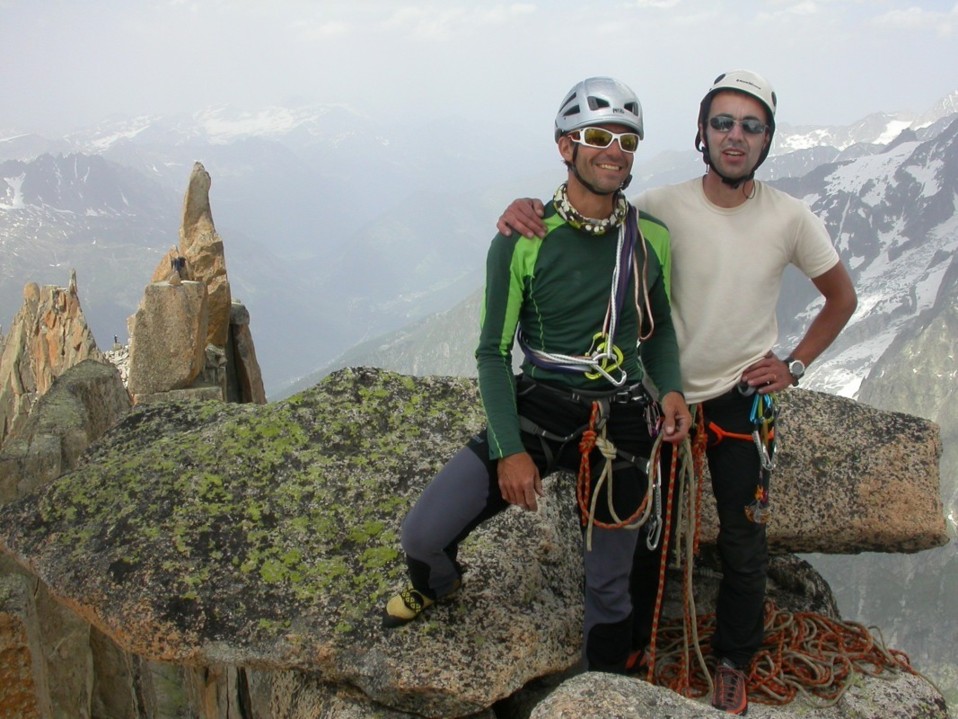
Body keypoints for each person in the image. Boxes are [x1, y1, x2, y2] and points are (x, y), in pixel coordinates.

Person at [496, 69, 858, 714]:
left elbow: (841, 298)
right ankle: (631, 651)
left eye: (752, 126)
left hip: (739, 396)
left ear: (768, 138)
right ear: (701, 133)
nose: (736, 137)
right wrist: (525, 209)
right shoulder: (661, 207)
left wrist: (795, 366)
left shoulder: (790, 218)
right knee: (642, 529)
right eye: (723, 123)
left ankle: (732, 661)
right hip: (656, 396)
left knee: (745, 538)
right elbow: (590, 209)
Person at [383, 76, 691, 675]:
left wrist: (672, 389)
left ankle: (601, 693)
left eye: (627, 140)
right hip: (543, 403)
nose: (613, 150)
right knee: (422, 537)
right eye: (597, 136)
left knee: (607, 586)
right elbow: (493, 354)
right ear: (565, 146)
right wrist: (508, 450)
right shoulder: (523, 239)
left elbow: (658, 332)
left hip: (621, 413)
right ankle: (437, 583)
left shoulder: (649, 240)